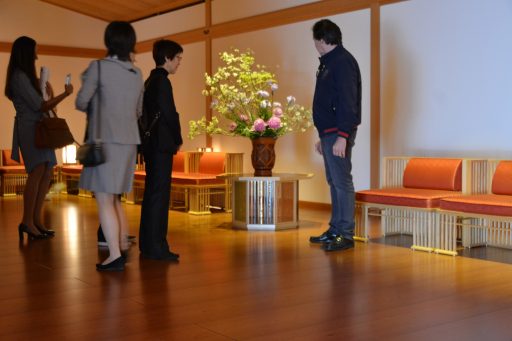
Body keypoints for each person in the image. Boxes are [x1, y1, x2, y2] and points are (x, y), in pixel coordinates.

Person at [75, 21, 143, 271]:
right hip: (130, 142)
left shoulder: (99, 67)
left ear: (108, 40)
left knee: (104, 199)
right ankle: (122, 244)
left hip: (105, 140)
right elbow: (138, 110)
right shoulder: (136, 73)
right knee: (116, 198)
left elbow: (81, 102)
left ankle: (114, 254)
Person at [4, 36, 74, 241]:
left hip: (38, 128)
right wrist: (65, 94)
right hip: (31, 129)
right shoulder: (19, 77)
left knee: (46, 171)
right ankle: (27, 221)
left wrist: (46, 90)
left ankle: (36, 220)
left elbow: (40, 102)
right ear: (27, 52)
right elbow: (40, 106)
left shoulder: (24, 76)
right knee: (37, 172)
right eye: (34, 50)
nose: (37, 54)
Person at [309, 19, 362, 252]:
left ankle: (346, 234)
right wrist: (324, 136)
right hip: (329, 133)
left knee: (342, 181)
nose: (315, 44)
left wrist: (342, 135)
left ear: (321, 40)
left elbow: (348, 102)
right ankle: (335, 229)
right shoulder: (329, 62)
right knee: (334, 181)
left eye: (315, 40)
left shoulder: (342, 62)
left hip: (339, 132)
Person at [138, 39, 183, 261]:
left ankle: (147, 243)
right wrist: (178, 137)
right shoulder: (163, 82)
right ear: (166, 58)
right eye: (177, 58)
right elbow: (169, 113)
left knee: (151, 194)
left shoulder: (149, 80)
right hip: (161, 145)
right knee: (159, 195)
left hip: (150, 144)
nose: (179, 63)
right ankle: (157, 246)